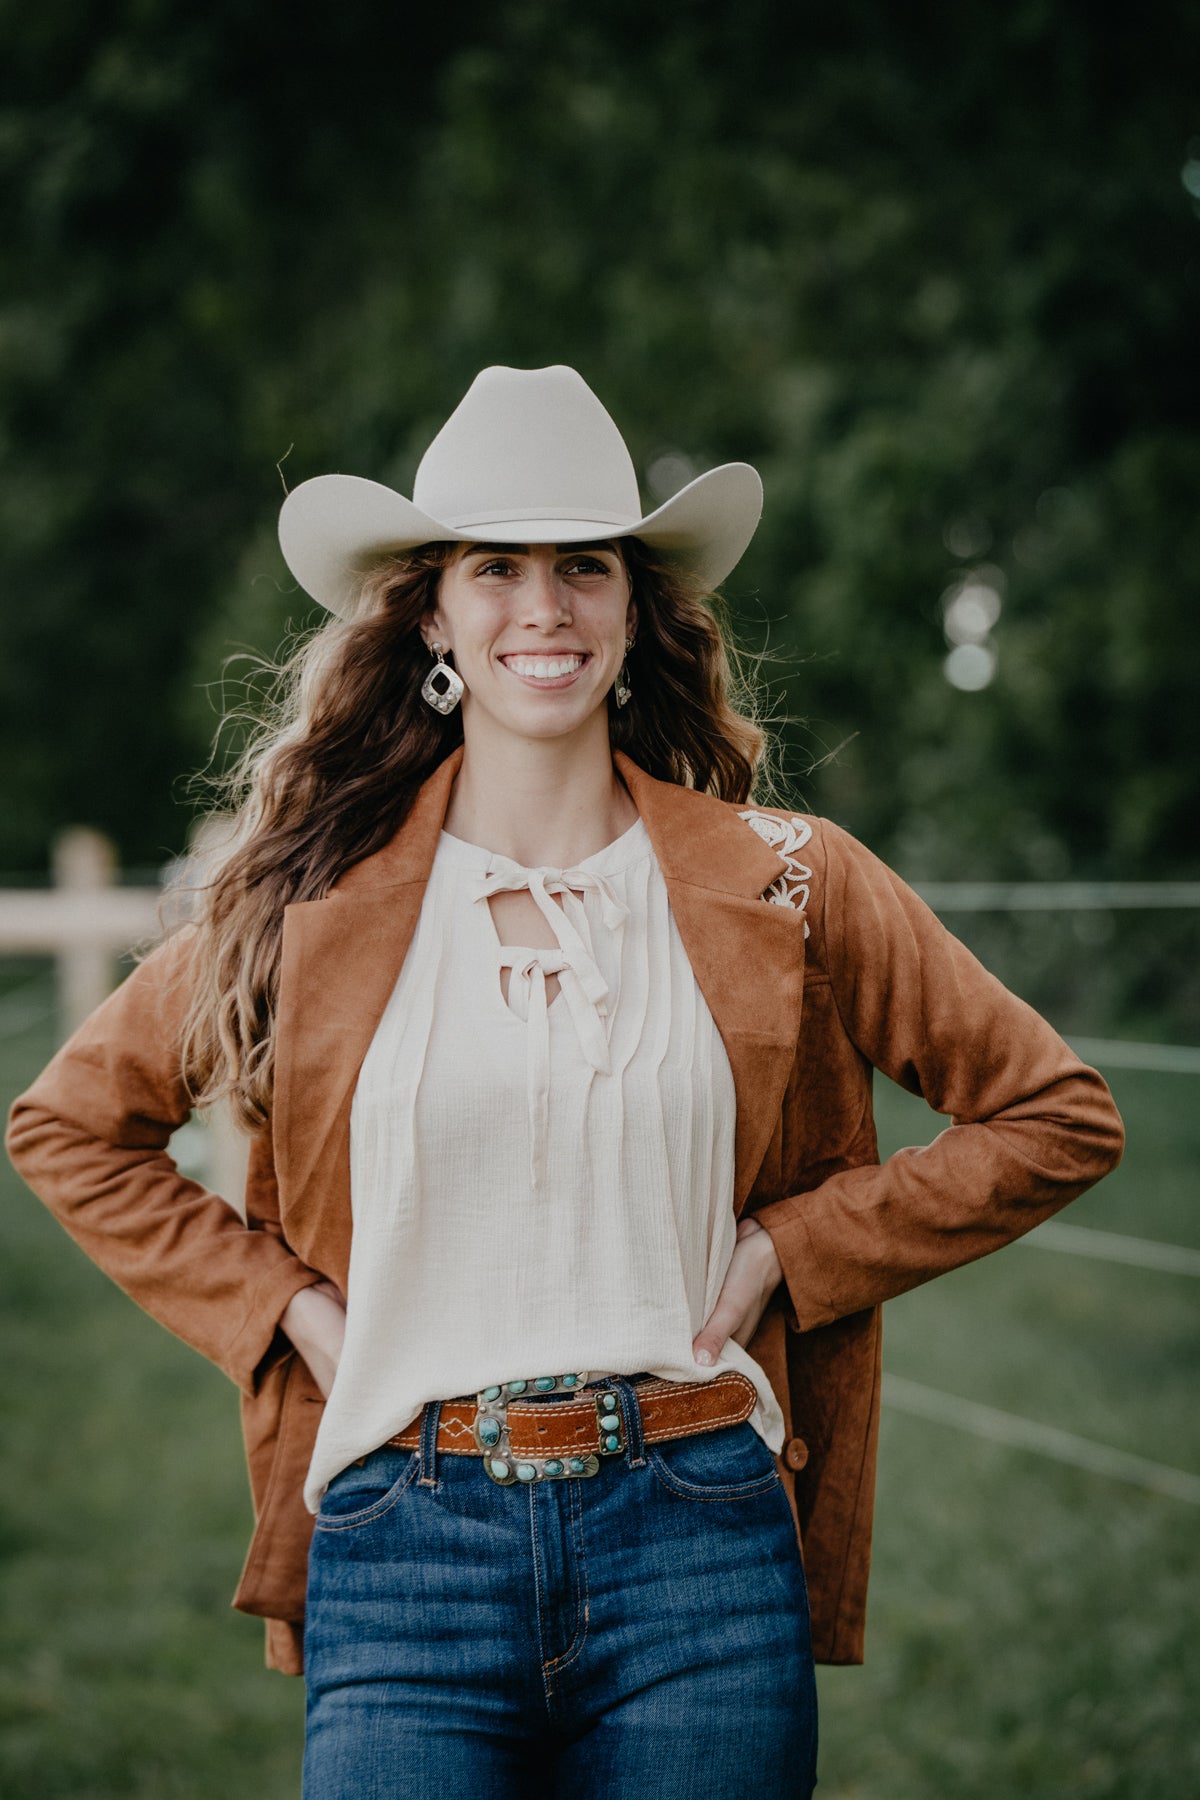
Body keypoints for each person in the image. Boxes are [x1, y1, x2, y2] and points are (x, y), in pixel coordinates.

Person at [6, 364, 1124, 1799]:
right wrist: (282, 1307)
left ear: (634, 606)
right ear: (433, 610)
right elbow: (72, 1126)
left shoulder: (790, 880)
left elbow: (1057, 1115)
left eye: (584, 566)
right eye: (498, 567)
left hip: (701, 1540)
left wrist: (798, 1245)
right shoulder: (306, 896)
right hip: (404, 1546)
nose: (545, 606)